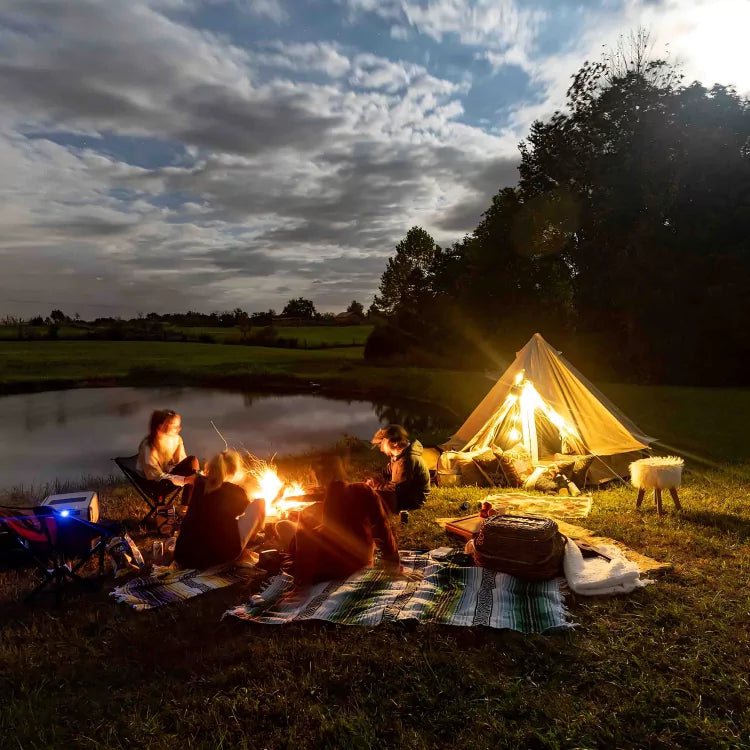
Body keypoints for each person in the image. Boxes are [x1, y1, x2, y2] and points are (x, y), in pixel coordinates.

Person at [278, 455, 417, 588]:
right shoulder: (364, 490)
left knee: (283, 526)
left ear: (319, 477)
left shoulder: (311, 511)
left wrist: (301, 584)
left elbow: (304, 541)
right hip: (363, 560)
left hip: (331, 567)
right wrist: (394, 566)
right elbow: (383, 527)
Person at [174, 450, 265, 569]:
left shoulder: (199, 485)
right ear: (234, 471)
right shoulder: (235, 491)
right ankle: (254, 539)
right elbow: (246, 513)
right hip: (218, 557)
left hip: (184, 555)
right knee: (260, 503)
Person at [136, 409, 199, 505]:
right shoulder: (148, 446)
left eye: (179, 426)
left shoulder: (176, 439)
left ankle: (187, 507)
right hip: (153, 483)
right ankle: (188, 509)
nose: (178, 429)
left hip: (167, 474)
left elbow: (183, 461)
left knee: (192, 462)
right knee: (192, 475)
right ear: (161, 426)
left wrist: (197, 473)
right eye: (174, 426)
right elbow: (155, 476)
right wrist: (185, 480)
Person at [367, 424, 430, 513]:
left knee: (369, 499)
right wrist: (375, 480)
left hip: (412, 500)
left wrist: (375, 486)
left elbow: (397, 489)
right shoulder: (398, 456)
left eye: (381, 443)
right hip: (404, 494)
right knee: (369, 495)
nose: (381, 449)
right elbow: (387, 473)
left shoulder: (408, 459)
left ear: (394, 442)